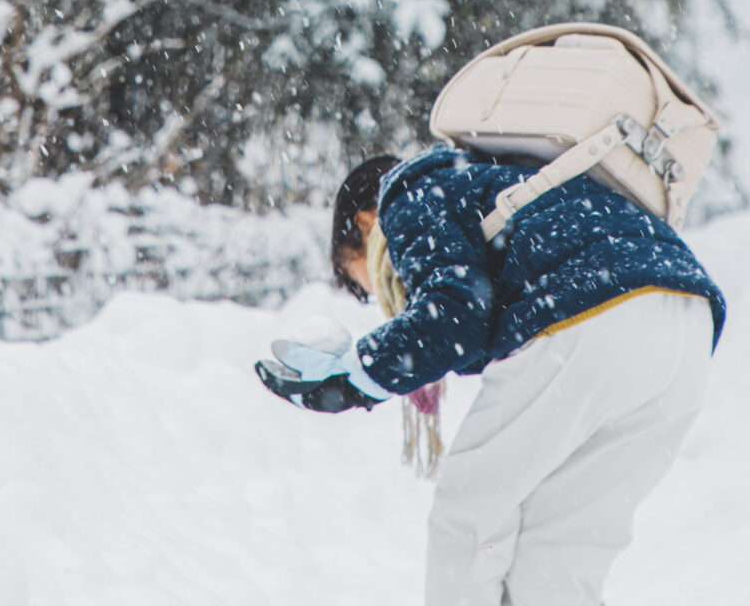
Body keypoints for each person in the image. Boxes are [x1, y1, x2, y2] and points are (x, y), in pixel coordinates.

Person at [257, 147, 725, 606]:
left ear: (363, 223)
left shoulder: (407, 191)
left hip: (590, 313)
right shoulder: (495, 176)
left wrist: (355, 376)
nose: (380, 300)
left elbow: (454, 315)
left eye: (359, 280)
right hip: (685, 324)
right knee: (560, 554)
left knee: (468, 519)